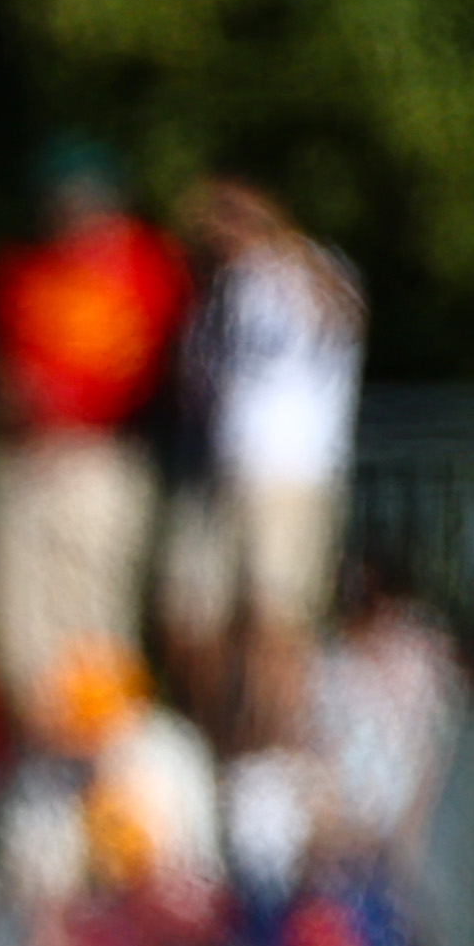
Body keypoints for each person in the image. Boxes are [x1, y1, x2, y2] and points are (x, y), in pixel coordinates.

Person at [0, 138, 189, 723]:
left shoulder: (146, 266)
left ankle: (105, 761)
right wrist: (11, 391)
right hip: (23, 459)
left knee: (93, 626)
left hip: (100, 454)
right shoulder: (23, 268)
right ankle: (39, 755)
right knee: (18, 631)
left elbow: (153, 364)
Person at [160, 177, 362, 748]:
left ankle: (273, 748)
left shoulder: (310, 270)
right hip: (220, 471)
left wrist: (280, 241)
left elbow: (342, 313)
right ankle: (220, 741)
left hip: (291, 471)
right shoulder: (217, 294)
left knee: (275, 621)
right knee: (191, 617)